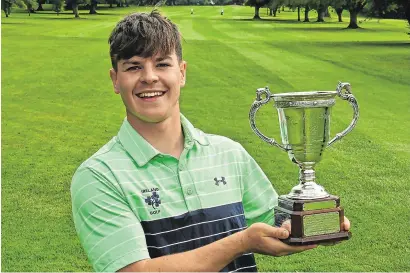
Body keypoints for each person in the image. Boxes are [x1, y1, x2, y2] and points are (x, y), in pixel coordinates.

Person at [71, 10, 350, 272]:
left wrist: (316, 223)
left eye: (162, 64)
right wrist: (241, 242)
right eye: (133, 67)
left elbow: (274, 227)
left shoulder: (229, 154)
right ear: (115, 80)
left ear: (181, 72)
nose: (150, 77)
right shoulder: (99, 176)